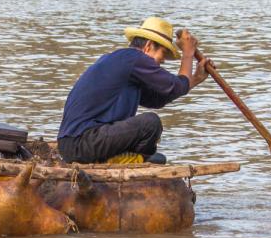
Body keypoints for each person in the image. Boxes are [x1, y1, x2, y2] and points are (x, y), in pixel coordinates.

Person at [56, 17, 211, 165]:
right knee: (151, 123)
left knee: (154, 144)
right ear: (149, 46)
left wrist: (194, 79)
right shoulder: (133, 58)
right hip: (82, 143)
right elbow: (177, 86)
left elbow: (157, 99)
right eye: (162, 54)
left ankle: (123, 158)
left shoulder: (123, 62)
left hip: (73, 144)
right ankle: (116, 160)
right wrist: (188, 54)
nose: (162, 61)